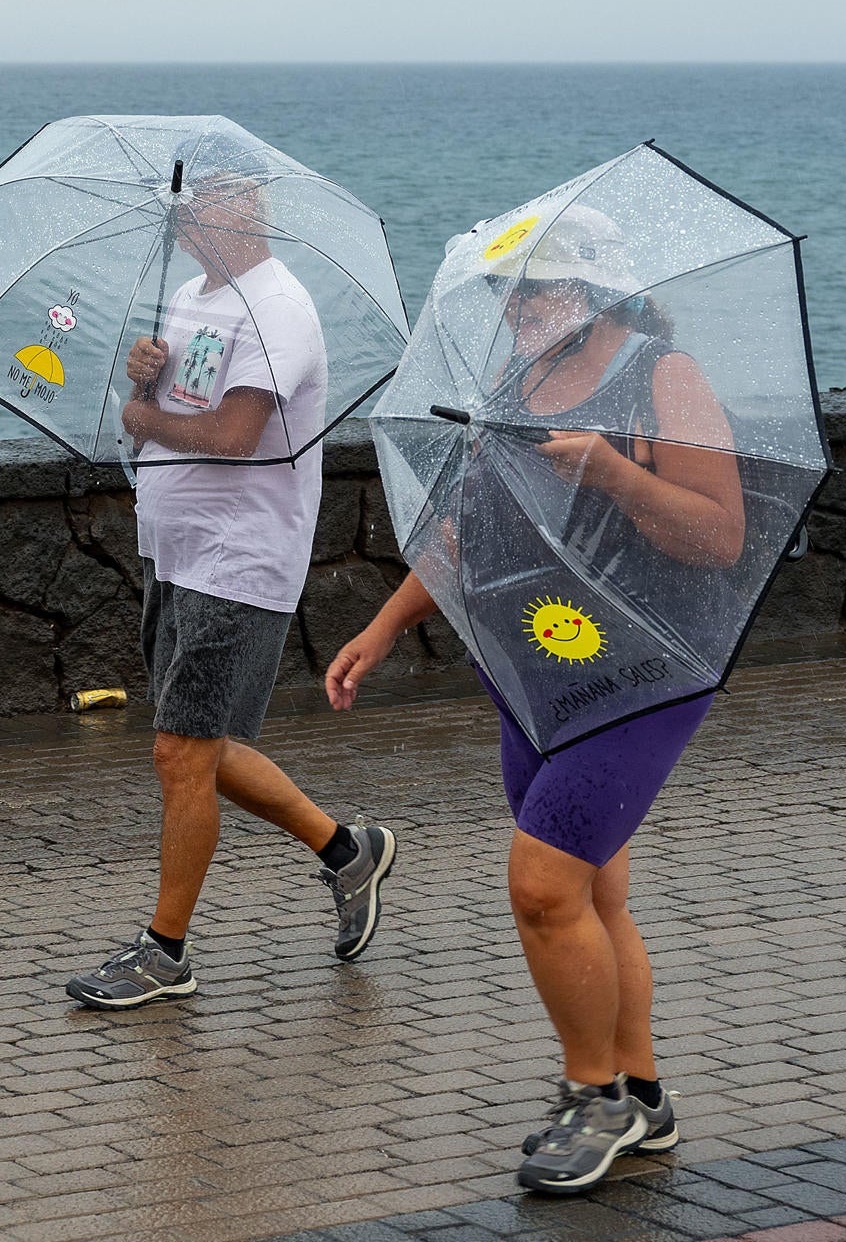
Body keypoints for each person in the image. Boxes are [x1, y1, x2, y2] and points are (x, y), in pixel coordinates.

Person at [325, 205, 745, 1193]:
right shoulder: (512, 383)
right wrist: (386, 625)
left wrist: (612, 471)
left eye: (536, 289)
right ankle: (639, 1093)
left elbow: (721, 535)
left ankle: (591, 1092)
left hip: (641, 671)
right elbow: (468, 528)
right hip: (536, 670)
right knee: (595, 892)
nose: (516, 308)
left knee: (543, 886)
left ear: (592, 290)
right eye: (504, 292)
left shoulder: (660, 374)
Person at [65, 143, 398, 1010]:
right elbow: (177, 409)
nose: (182, 222)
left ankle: (166, 951)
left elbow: (237, 434)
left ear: (242, 215)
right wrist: (148, 375)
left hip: (240, 558)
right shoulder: (190, 296)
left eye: (199, 209)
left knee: (180, 750)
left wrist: (143, 412)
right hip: (174, 547)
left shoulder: (279, 308)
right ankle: (346, 853)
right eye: (182, 211)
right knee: (201, 742)